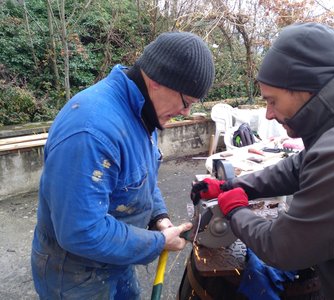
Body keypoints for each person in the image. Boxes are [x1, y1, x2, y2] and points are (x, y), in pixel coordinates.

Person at [191, 22, 334, 299]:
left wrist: (236, 210)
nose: (267, 114)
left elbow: (282, 247)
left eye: (272, 101)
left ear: (304, 89)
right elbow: (302, 164)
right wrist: (233, 185)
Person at [31, 31, 215, 299]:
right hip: (75, 276)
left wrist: (159, 218)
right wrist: (159, 242)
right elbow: (81, 231)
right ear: (156, 81)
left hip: (117, 259)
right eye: (186, 102)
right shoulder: (91, 131)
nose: (186, 112)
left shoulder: (143, 112)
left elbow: (140, 179)